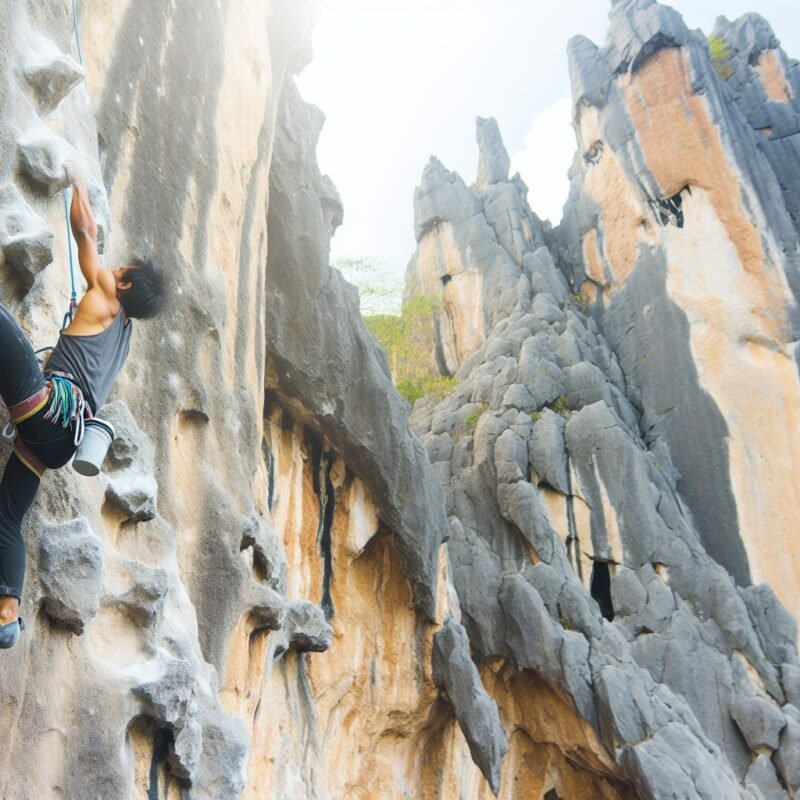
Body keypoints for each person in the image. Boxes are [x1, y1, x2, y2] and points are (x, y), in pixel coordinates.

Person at [0, 167, 165, 648]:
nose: (112, 271)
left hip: (49, 408)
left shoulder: (109, 297)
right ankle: (6, 616)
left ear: (128, 286)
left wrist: (78, 183)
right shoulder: (124, 337)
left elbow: (84, 232)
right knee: (7, 517)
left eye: (121, 272)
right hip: (57, 444)